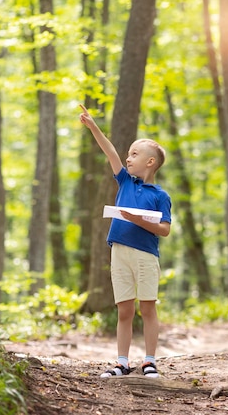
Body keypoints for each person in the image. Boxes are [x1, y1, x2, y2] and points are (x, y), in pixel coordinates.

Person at [79, 105, 172, 378]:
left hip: (145, 255)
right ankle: (121, 361)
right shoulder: (125, 183)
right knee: (124, 310)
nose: (128, 158)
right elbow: (109, 151)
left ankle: (150, 361)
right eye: (128, 154)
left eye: (134, 154)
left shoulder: (160, 195)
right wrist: (93, 126)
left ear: (150, 162)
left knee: (148, 308)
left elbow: (164, 229)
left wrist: (137, 219)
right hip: (118, 252)